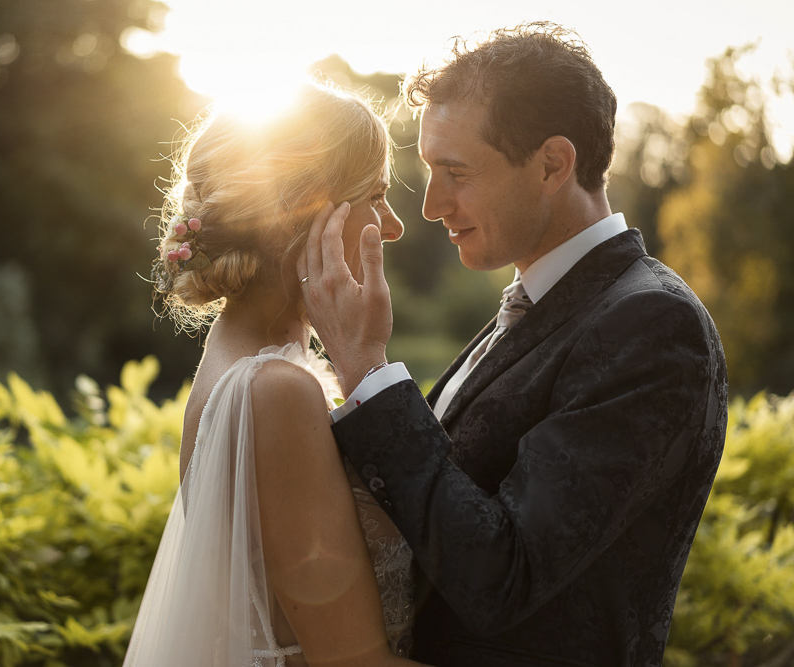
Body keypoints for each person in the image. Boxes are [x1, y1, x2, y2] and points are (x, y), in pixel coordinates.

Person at [299, 23, 728, 667]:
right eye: (428, 173)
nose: (432, 205)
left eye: (457, 172)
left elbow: (504, 578)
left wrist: (367, 370)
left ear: (553, 164)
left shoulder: (652, 327)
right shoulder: (543, 301)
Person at [123, 82, 426, 667]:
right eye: (378, 194)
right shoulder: (274, 391)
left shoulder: (245, 355)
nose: (393, 226)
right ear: (314, 208)